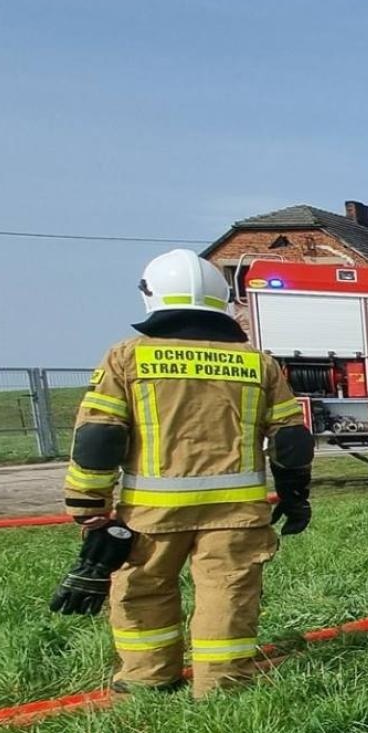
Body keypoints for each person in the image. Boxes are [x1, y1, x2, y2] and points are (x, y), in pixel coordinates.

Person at [53, 248, 314, 699]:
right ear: (222, 298)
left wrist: (88, 505)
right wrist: (295, 497)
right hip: (237, 514)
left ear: (150, 296)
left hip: (152, 513)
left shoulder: (127, 357)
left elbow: (98, 437)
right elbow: (291, 441)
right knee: (227, 596)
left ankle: (147, 679)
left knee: (143, 590)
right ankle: (222, 686)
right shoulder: (258, 363)